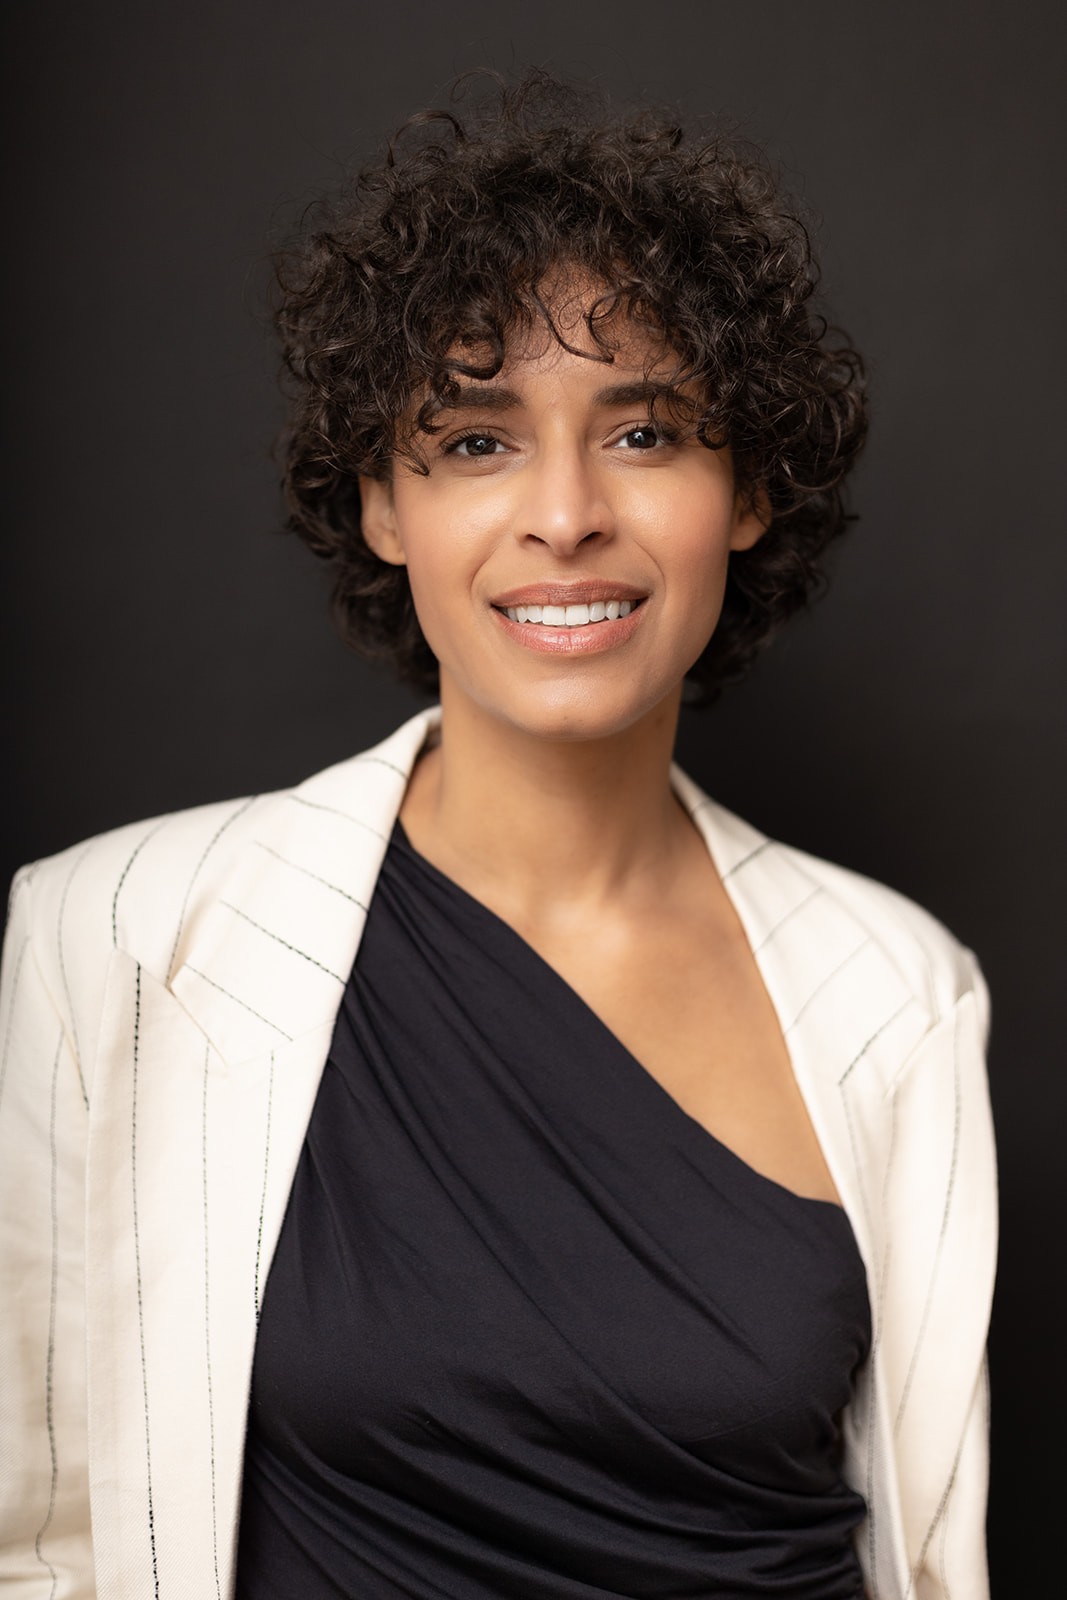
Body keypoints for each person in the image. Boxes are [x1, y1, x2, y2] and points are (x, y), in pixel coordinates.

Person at [0, 74, 996, 1600]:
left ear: (747, 493)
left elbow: (925, 1549)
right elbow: (41, 1537)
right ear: (382, 506)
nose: (566, 513)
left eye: (645, 430)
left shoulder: (899, 989)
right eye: (475, 441)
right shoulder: (114, 935)